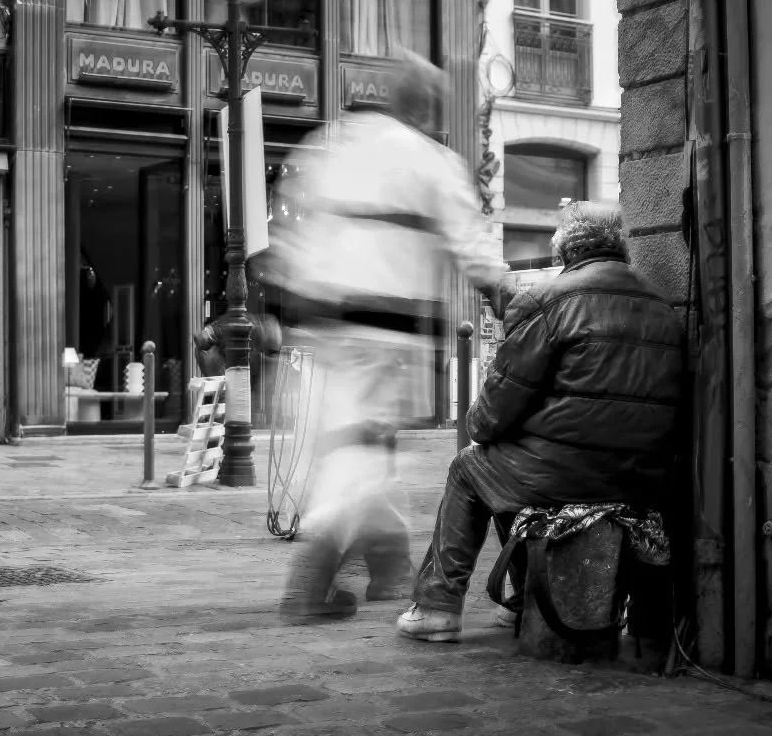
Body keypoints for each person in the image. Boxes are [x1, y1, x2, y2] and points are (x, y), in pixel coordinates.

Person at [266, 51, 509, 620]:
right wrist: (506, 294)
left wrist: (288, 305)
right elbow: (472, 247)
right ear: (428, 109)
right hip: (388, 328)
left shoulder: (333, 141)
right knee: (361, 448)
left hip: (323, 320)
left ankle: (388, 567)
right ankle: (315, 577)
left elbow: (291, 223)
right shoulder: (431, 160)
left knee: (357, 441)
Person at [397, 201, 684, 641]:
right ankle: (519, 601)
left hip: (568, 474)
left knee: (471, 468)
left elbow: (490, 418)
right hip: (643, 478)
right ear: (620, 248)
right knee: (506, 470)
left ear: (564, 252)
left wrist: (484, 426)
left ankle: (437, 606)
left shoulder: (549, 302)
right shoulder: (662, 307)